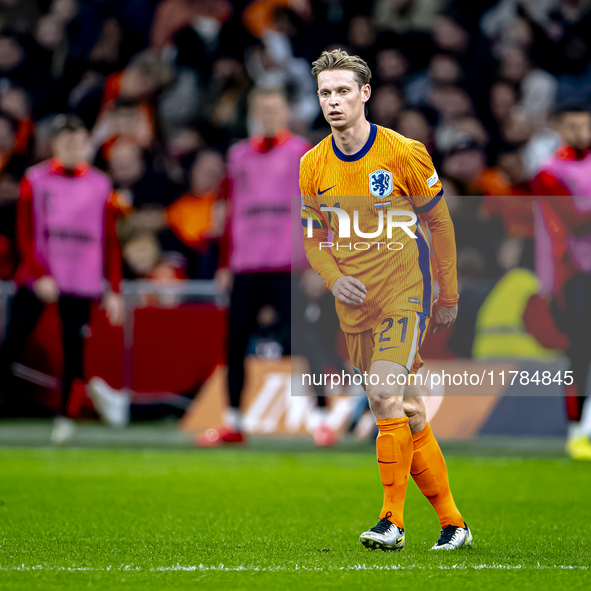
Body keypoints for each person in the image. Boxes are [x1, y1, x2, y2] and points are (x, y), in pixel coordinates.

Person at [300, 49, 471, 551]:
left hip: (403, 296)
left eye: (343, 91)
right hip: (354, 307)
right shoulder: (312, 165)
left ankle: (391, 522)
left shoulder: (403, 153)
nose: (333, 101)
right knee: (408, 411)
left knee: (381, 396)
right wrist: (333, 279)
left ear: (365, 94)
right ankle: (454, 523)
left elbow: (438, 222)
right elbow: (314, 236)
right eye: (325, 93)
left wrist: (448, 291)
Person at [0, 114, 123, 443]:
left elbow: (109, 239)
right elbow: (26, 232)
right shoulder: (36, 180)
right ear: (55, 146)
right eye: (67, 143)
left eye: (79, 143)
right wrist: (39, 274)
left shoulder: (100, 184)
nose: (73, 149)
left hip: (80, 280)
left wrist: (114, 288)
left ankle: (66, 417)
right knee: (11, 342)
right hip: (38, 278)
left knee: (74, 349)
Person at [199, 86, 312, 446]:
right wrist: (224, 262)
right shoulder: (238, 156)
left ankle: (323, 417)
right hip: (246, 264)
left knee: (306, 342)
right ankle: (233, 421)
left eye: (274, 109)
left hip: (288, 263)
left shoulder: (302, 152)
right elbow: (232, 210)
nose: (268, 116)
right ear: (252, 113)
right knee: (234, 343)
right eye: (261, 109)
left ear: (285, 113)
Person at [533, 106, 591, 460]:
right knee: (579, 352)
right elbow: (573, 218)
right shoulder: (550, 171)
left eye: (586, 124)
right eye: (574, 125)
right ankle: (577, 428)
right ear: (559, 129)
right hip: (573, 273)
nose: (582, 131)